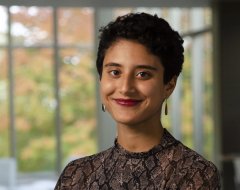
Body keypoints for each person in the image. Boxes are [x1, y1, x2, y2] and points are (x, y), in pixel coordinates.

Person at [55, 12, 221, 189]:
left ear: (169, 85)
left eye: (143, 74)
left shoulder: (195, 174)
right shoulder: (76, 175)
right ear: (101, 79)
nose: (126, 88)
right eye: (115, 72)